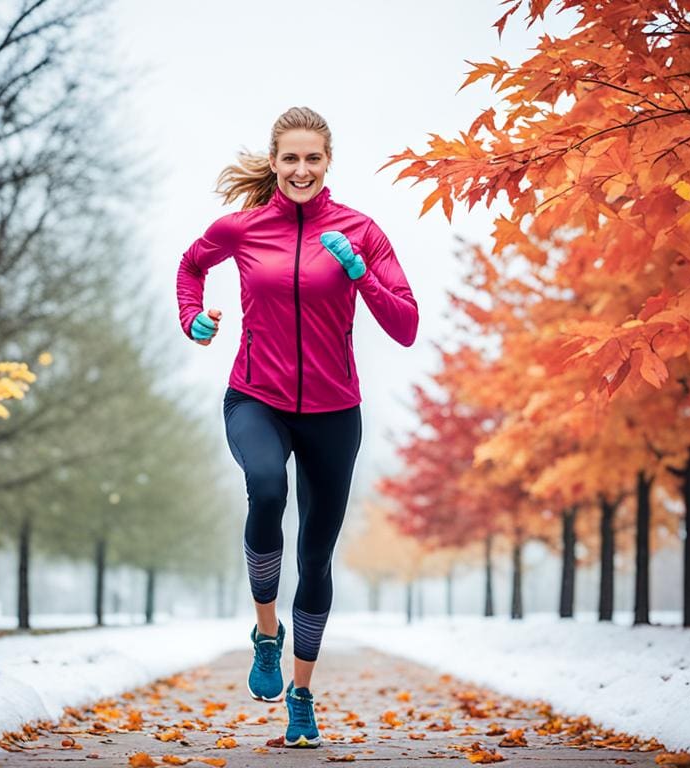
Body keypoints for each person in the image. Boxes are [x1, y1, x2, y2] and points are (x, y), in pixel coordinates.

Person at [175, 106, 418, 748]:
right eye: (291, 158)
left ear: (327, 162)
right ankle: (265, 633)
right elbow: (190, 265)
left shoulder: (361, 231)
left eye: (313, 158)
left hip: (335, 413)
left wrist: (361, 274)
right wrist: (193, 317)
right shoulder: (243, 228)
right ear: (275, 162)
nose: (301, 169)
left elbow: (406, 324)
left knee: (315, 557)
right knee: (265, 486)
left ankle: (302, 695)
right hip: (257, 396)